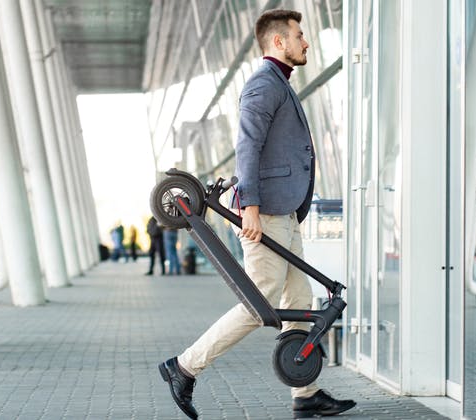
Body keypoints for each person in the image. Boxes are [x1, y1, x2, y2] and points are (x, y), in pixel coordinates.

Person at [158, 9, 355, 419]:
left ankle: (306, 394)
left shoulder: (278, 84)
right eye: (300, 35)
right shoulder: (263, 85)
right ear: (279, 42)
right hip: (266, 212)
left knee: (299, 299)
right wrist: (249, 205)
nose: (306, 42)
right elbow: (247, 145)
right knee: (260, 302)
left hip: (285, 212)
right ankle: (184, 367)